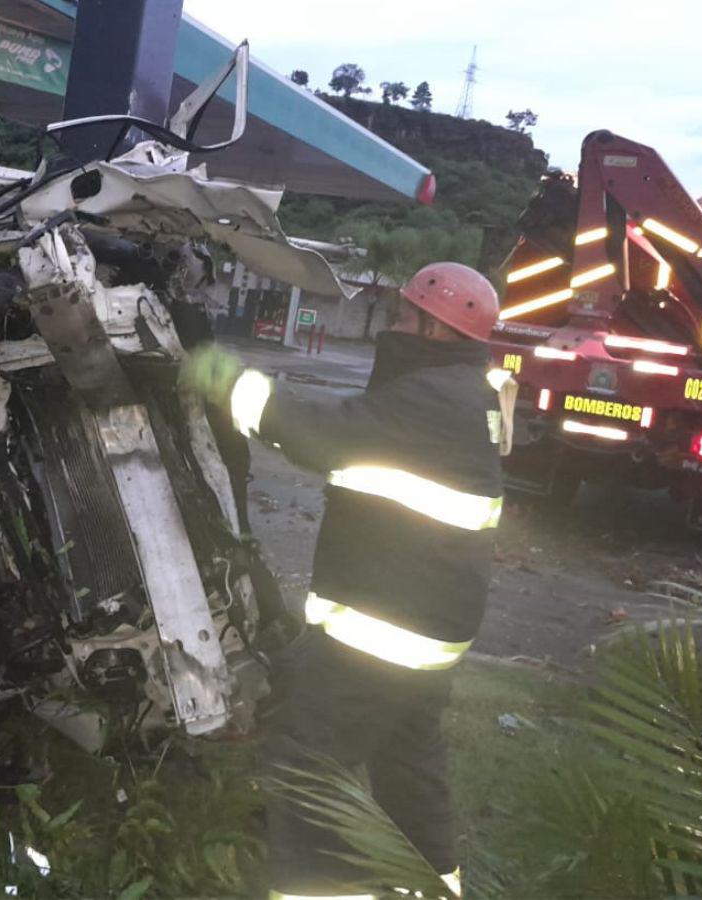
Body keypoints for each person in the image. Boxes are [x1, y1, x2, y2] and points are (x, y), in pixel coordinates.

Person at [181, 262, 508, 899]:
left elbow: (323, 435)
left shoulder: (430, 399)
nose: (393, 323)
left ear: (435, 329)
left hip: (382, 636)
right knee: (410, 767)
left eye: (405, 314)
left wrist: (235, 385)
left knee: (307, 765)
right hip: (427, 634)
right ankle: (433, 886)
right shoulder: (461, 392)